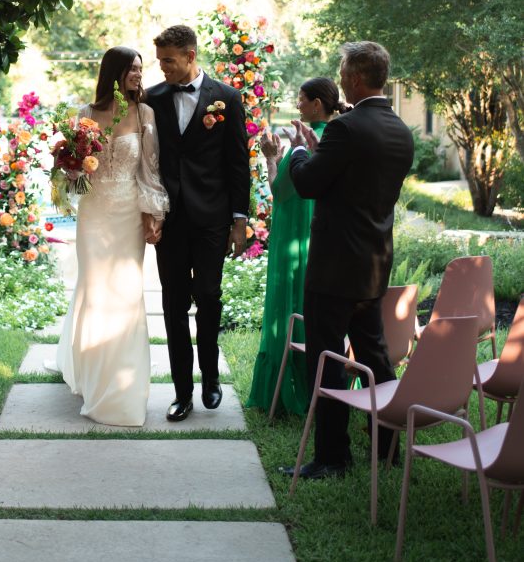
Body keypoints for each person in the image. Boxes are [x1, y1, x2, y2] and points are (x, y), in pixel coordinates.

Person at [281, 41, 414, 480]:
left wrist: (301, 151)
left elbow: (308, 184)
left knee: (327, 357)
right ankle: (389, 446)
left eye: (342, 72)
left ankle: (332, 458)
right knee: (375, 356)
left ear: (355, 78)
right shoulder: (400, 129)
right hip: (374, 263)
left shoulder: (345, 129)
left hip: (335, 265)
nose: (338, 80)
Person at [55, 46, 169, 426]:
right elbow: (70, 173)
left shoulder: (145, 114)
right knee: (95, 290)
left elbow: (150, 170)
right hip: (94, 214)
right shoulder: (85, 115)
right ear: (114, 73)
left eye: (141, 69)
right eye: (133, 69)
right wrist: (69, 169)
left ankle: (123, 388)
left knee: (125, 293)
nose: (139, 75)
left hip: (127, 215)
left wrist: (154, 213)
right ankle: (92, 374)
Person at [145, 25, 250, 422]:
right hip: (169, 220)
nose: (163, 68)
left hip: (212, 219)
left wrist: (238, 221)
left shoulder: (226, 98)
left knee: (208, 295)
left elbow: (239, 163)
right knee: (173, 304)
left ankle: (210, 377)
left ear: (190, 56)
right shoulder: (152, 99)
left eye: (169, 61)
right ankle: (182, 392)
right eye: (159, 61)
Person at [246, 78, 347, 415]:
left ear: (317, 104)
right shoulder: (338, 139)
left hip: (296, 236)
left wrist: (272, 157)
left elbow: (281, 189)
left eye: (302, 99)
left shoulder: (306, 143)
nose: (298, 104)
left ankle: (288, 389)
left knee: (292, 303)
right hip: (324, 238)